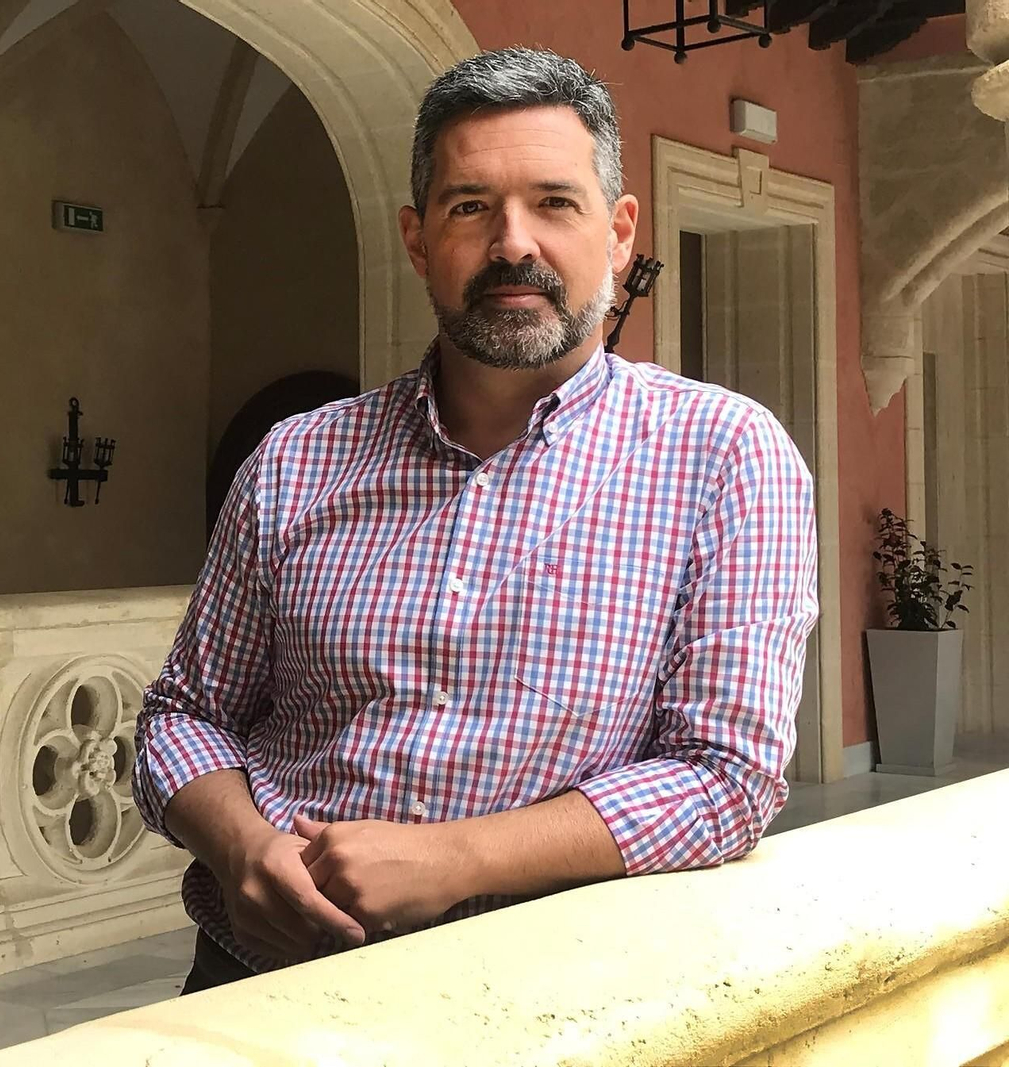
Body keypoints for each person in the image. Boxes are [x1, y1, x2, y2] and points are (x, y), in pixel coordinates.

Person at [133, 46, 820, 995]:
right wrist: (244, 848)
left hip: (553, 1005)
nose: (513, 243)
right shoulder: (295, 461)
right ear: (419, 241)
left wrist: (457, 858)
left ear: (619, 233)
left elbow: (725, 779)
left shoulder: (724, 456)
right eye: (470, 207)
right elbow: (184, 714)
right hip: (257, 985)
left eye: (554, 202)